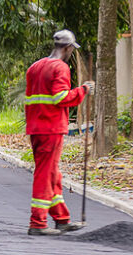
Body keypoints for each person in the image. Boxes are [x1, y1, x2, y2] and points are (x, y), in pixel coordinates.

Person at [26, 29, 93, 236]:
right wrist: (83, 90)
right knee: (45, 174)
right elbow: (60, 97)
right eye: (72, 48)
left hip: (35, 128)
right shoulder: (60, 68)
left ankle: (61, 218)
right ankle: (37, 222)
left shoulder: (34, 67)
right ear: (68, 48)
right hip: (51, 128)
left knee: (53, 173)